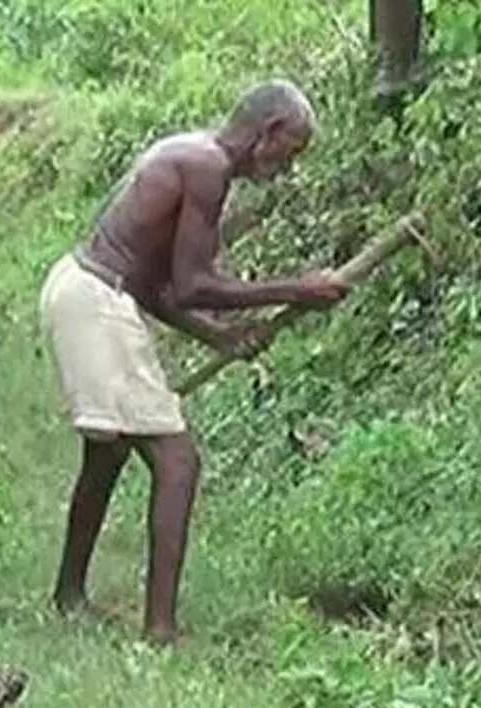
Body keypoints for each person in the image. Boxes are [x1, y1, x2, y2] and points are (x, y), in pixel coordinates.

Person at [37, 79, 350, 647]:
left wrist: (219, 338)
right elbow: (194, 283)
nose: (288, 167)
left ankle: (69, 596)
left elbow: (161, 287)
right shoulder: (206, 166)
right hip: (96, 300)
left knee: (107, 456)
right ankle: (160, 630)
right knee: (178, 461)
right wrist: (296, 289)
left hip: (83, 288)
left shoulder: (193, 154)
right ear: (269, 132)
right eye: (292, 151)